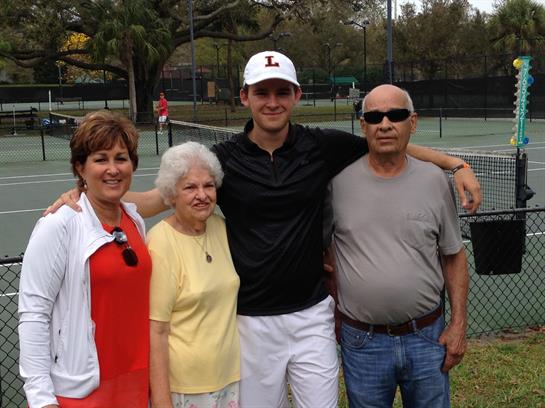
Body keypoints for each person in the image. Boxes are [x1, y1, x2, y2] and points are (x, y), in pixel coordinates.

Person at [45, 51, 481, 408]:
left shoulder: (320, 146)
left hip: (312, 315)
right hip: (250, 322)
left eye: (280, 92)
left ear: (294, 96)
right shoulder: (223, 161)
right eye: (261, 92)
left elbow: (389, 140)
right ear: (245, 97)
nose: (271, 101)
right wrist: (89, 192)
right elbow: (159, 199)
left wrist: (454, 164)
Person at [330, 84, 469, 408]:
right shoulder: (336, 182)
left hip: (426, 336)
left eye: (396, 115)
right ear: (363, 125)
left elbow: (454, 255)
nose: (385, 124)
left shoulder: (434, 181)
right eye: (375, 116)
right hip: (361, 342)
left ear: (413, 122)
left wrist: (458, 324)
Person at [19, 110, 151, 408]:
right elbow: (34, 313)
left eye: (121, 158)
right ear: (80, 167)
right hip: (82, 390)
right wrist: (41, 398)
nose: (113, 169)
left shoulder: (135, 221)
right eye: (100, 159)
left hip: (137, 384)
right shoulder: (59, 225)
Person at [148, 142, 240, 408]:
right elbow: (157, 331)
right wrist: (162, 400)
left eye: (208, 185)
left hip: (230, 379)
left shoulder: (221, 228)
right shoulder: (160, 243)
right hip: (186, 390)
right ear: (171, 194)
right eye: (190, 187)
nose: (202, 195)